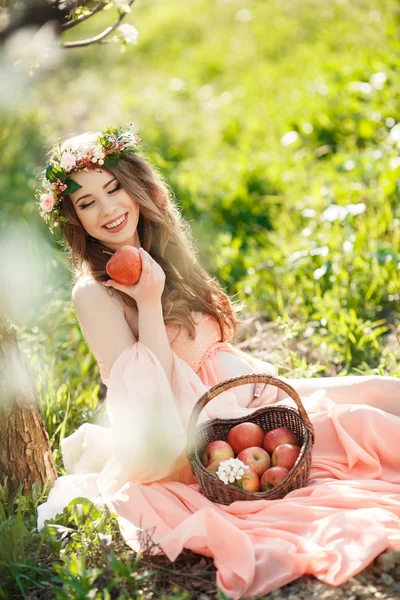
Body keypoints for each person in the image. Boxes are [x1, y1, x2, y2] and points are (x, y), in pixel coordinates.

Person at [36, 126, 400, 600]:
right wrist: (147, 302)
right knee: (365, 423)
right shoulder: (93, 293)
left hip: (250, 389)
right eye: (86, 204)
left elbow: (216, 338)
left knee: (383, 388)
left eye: (113, 188)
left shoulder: (161, 245)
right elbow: (150, 404)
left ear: (136, 185)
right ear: (75, 221)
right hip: (205, 423)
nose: (107, 210)